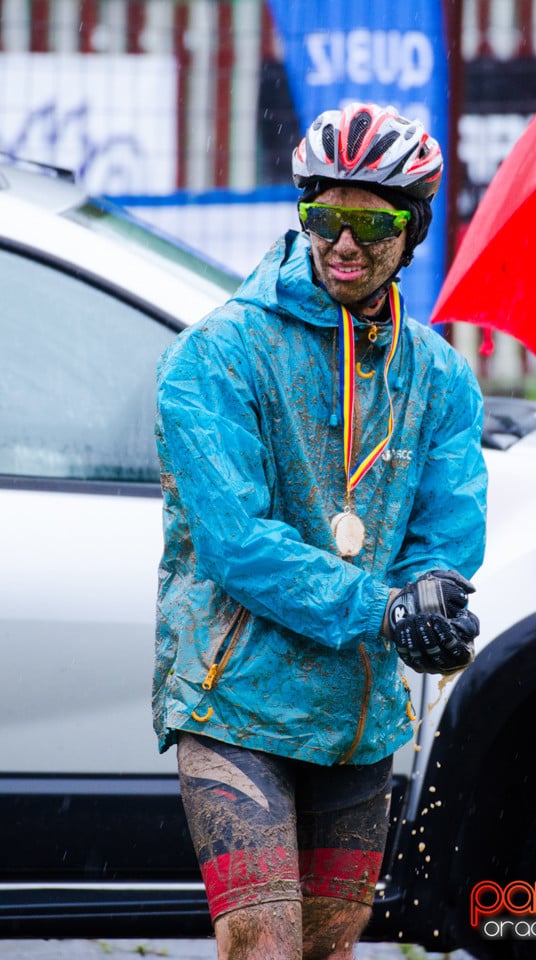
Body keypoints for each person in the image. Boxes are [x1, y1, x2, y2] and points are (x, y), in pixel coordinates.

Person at [153, 102, 488, 960]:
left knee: (329, 950)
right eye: (323, 216)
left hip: (359, 716)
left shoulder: (441, 378)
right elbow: (237, 545)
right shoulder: (214, 356)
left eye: (369, 223)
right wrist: (386, 609)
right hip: (235, 703)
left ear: (412, 229)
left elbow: (445, 533)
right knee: (262, 945)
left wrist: (437, 599)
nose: (342, 243)